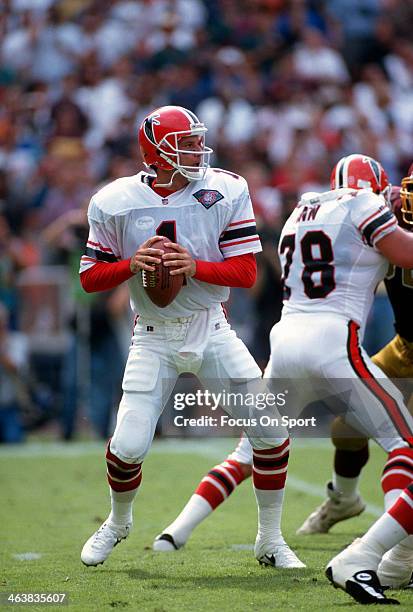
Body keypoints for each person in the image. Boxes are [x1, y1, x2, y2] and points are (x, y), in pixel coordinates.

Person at [79, 105, 304, 569]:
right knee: (127, 446)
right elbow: (90, 277)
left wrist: (193, 266)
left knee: (272, 433)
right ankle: (119, 522)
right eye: (185, 143)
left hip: (211, 326)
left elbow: (244, 271)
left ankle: (270, 539)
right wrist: (131, 264)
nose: (198, 150)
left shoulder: (225, 188)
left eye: (198, 140)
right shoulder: (114, 200)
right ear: (155, 154)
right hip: (154, 335)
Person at [152, 158, 413, 556]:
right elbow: (406, 254)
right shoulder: (366, 206)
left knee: (248, 450)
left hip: (285, 341)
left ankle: (174, 532)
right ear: (377, 187)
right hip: (333, 341)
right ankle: (396, 553)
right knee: (403, 446)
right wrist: (387, 206)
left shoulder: (300, 211)